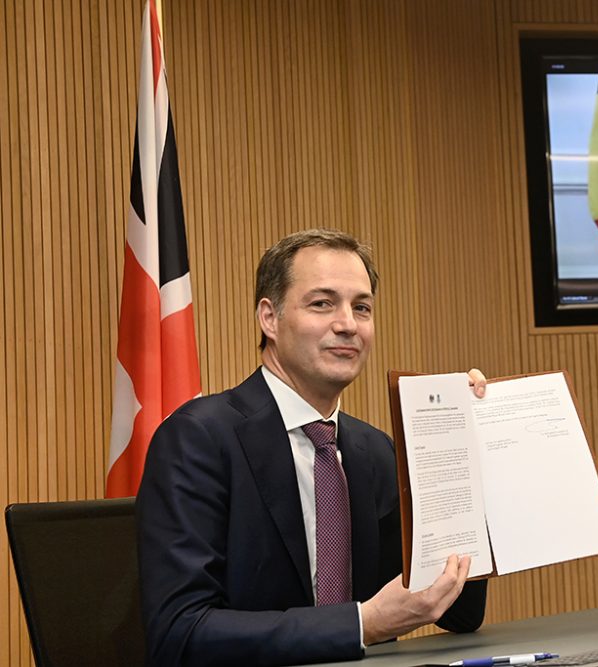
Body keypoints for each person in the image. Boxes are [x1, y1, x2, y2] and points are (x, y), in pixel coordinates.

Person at [136, 229, 488, 666]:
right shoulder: (197, 439)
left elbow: (461, 612)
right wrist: (363, 624)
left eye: (362, 307)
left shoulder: (373, 451)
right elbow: (180, 633)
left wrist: (463, 452)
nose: (347, 324)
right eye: (322, 303)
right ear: (269, 317)